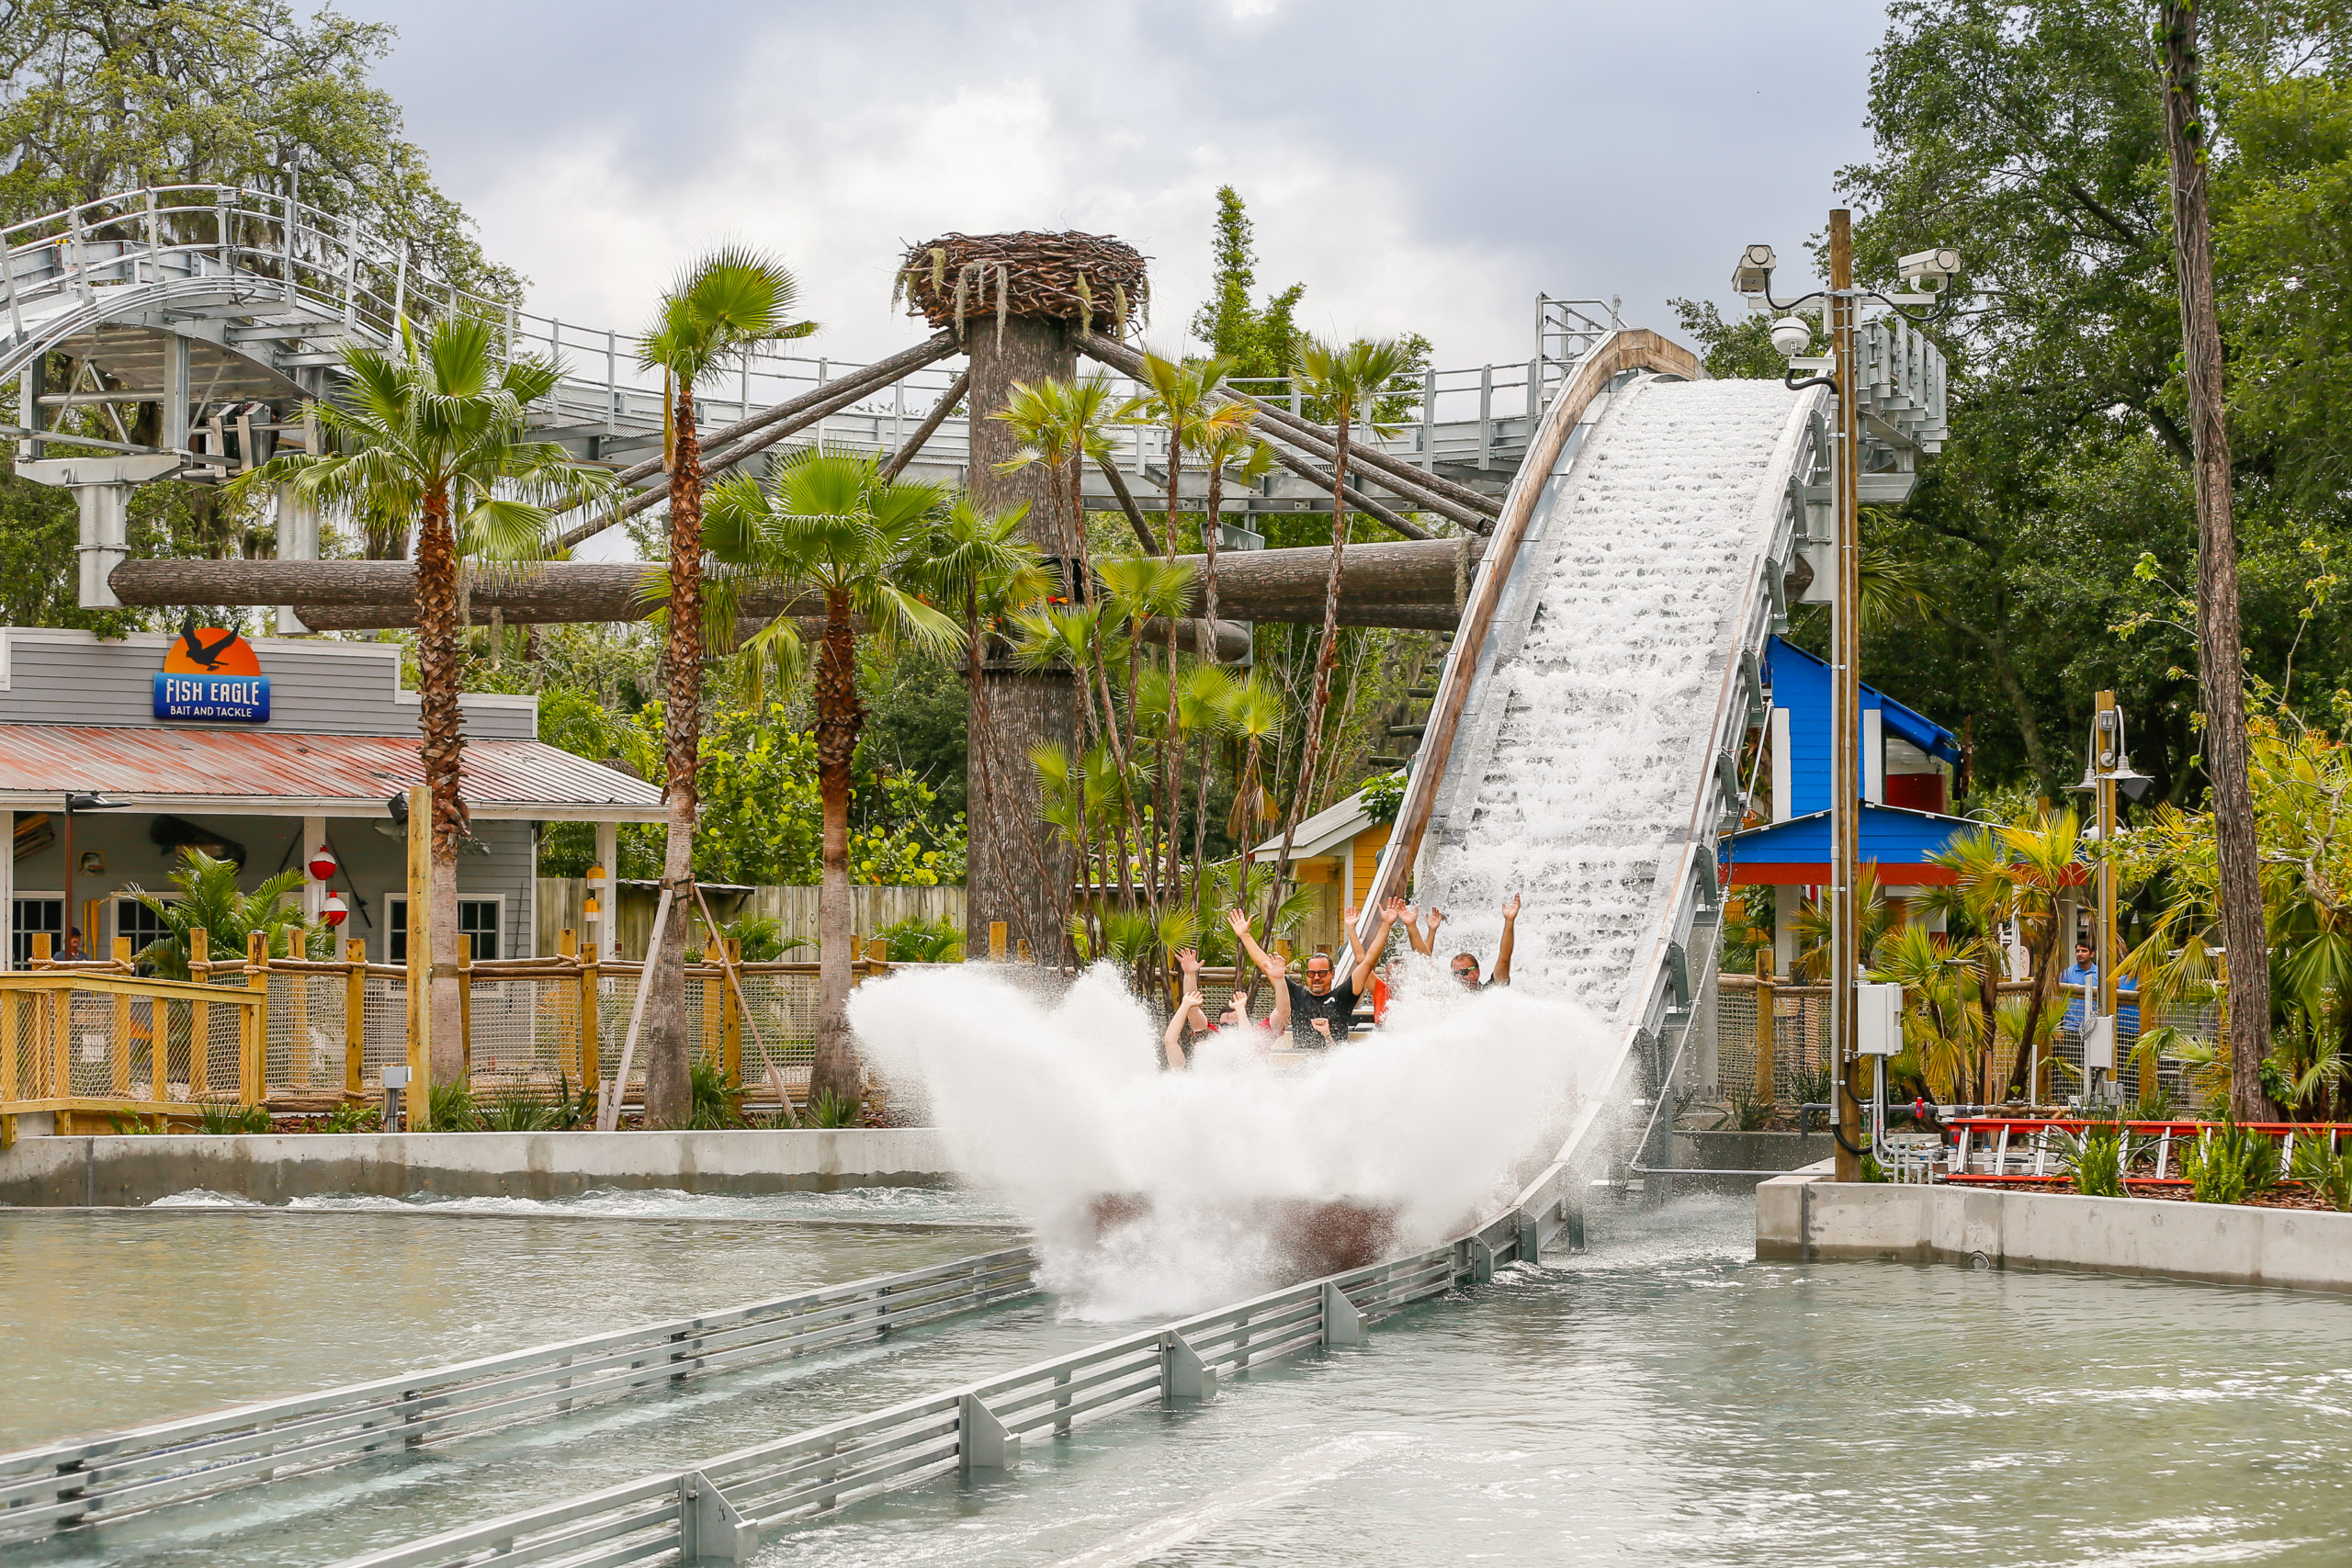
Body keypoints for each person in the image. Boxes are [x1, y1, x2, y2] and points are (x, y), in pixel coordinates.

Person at [1229, 904, 1392, 1047]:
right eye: (1311, 973)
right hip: (1301, 1062)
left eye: (1322, 973)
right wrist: (1245, 936)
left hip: (1333, 1062)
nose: (1316, 978)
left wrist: (1385, 925)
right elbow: (1266, 966)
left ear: (1332, 974)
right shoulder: (1298, 995)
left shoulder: (1343, 995)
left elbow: (1368, 962)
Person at [1161, 945, 1290, 1067]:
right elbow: (1193, 1009)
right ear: (1218, 1025)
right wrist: (1189, 975)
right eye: (1225, 1025)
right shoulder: (1215, 1038)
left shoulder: (1258, 1034)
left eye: (1235, 1025)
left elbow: (1283, 1012)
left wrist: (1279, 980)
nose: (1230, 1030)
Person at [1417, 894, 1520, 988]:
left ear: (1476, 972)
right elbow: (1424, 963)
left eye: (1464, 972)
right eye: (1455, 973)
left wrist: (1509, 921)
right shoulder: (1451, 996)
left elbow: (1504, 958)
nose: (1459, 977)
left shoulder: (1491, 990)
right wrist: (1432, 931)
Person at [1341, 897, 1414, 1024]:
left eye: (1398, 973)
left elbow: (1426, 960)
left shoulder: (1414, 993)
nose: (1393, 977)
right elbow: (1361, 961)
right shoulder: (1380, 988)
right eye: (1389, 973)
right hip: (1383, 1035)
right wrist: (1351, 929)